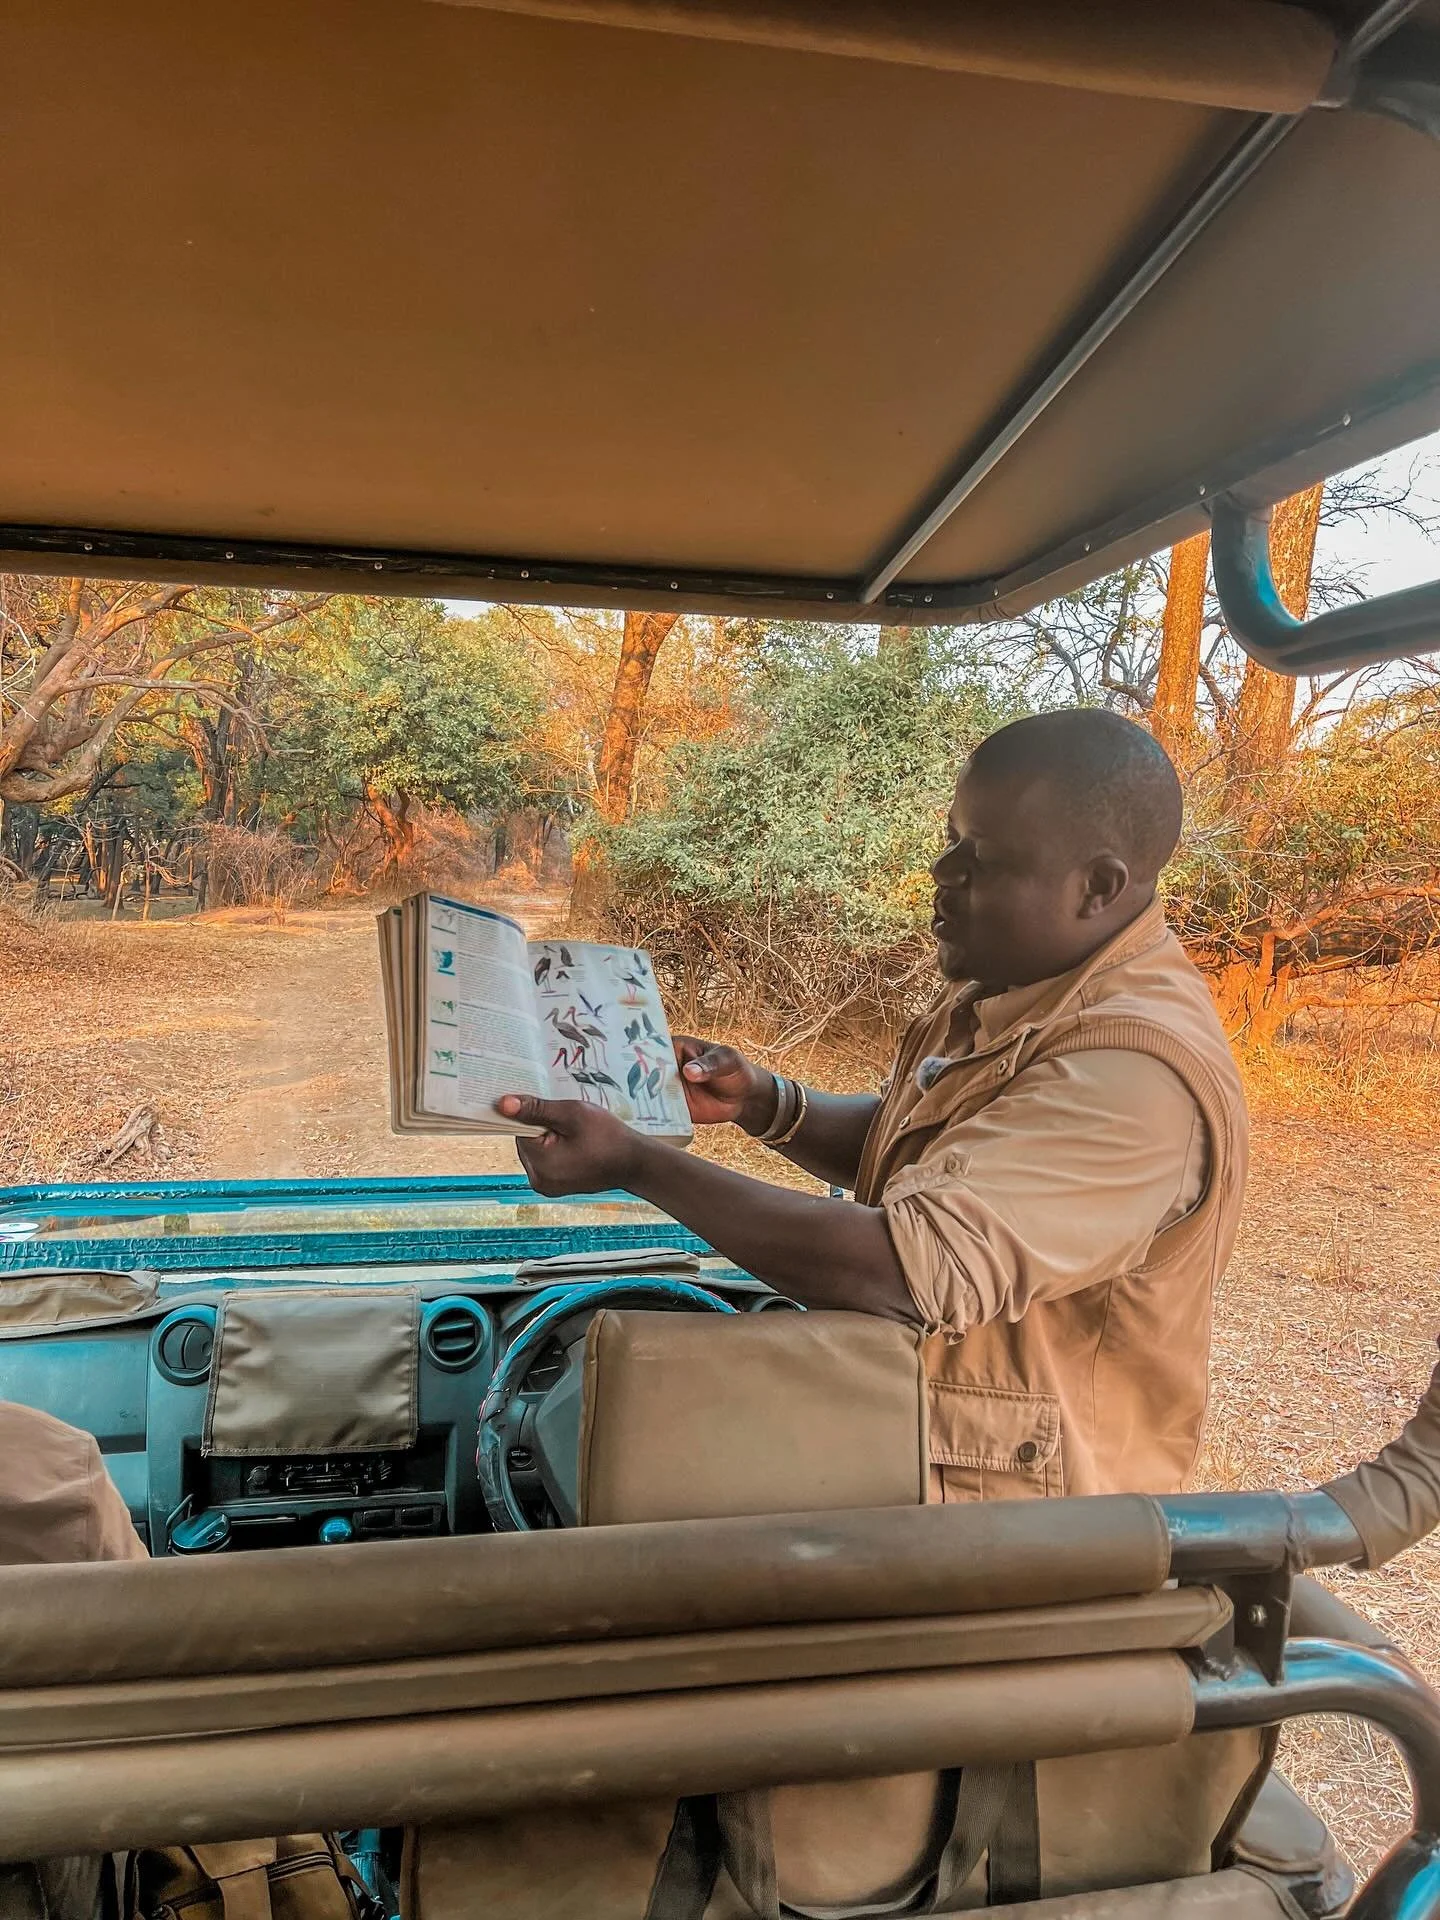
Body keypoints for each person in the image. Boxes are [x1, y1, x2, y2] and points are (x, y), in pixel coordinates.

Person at [498, 710, 1248, 1501]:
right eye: (951, 839)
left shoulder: (1132, 1073)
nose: (942, 871)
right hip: (919, 1437)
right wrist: (766, 1103)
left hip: (1020, 1525)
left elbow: (902, 1267)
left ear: (1097, 887)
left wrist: (636, 1162)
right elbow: (932, 1156)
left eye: (981, 859)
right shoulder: (1023, 987)